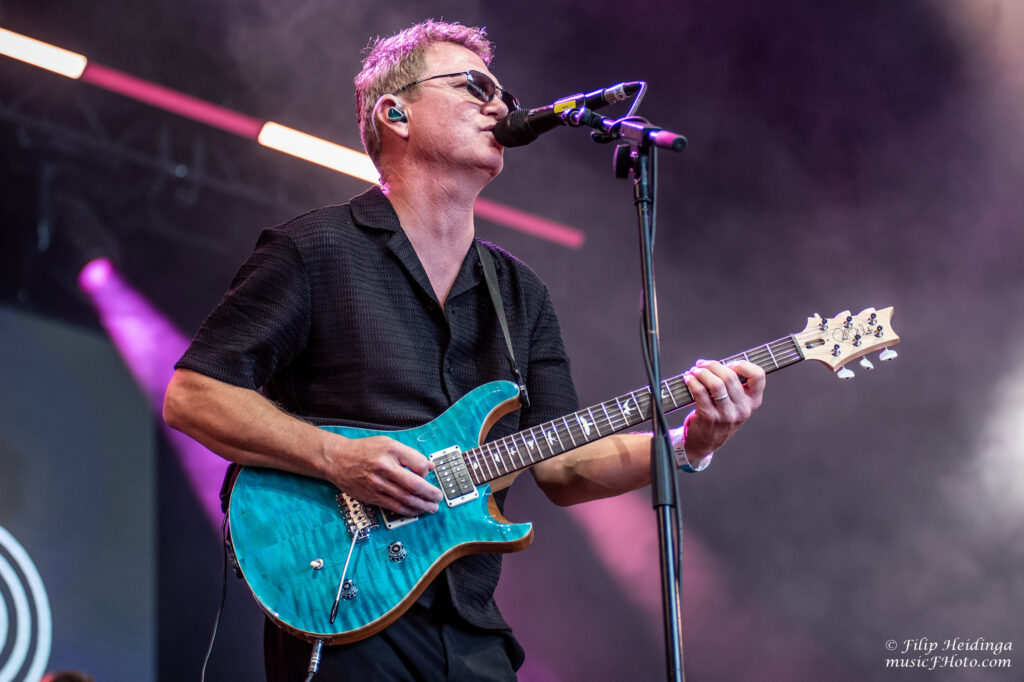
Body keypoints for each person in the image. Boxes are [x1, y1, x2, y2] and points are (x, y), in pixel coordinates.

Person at [163, 19, 766, 681]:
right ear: (395, 114)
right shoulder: (314, 250)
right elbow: (193, 395)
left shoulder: (520, 293)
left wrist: (688, 443)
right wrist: (339, 458)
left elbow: (564, 467)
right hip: (343, 603)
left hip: (471, 631)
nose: (500, 105)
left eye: (504, 93)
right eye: (474, 86)